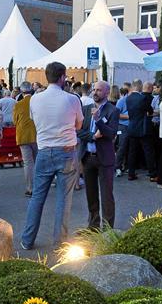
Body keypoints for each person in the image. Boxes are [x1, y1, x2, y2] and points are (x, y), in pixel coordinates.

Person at [20, 62, 83, 249]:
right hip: (66, 150)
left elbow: (34, 119)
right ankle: (60, 242)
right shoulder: (71, 99)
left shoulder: (35, 99)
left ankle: (27, 239)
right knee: (64, 198)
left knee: (37, 197)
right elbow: (79, 125)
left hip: (45, 150)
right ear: (63, 77)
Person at [78, 80, 120, 229]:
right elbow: (78, 131)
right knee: (91, 194)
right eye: (94, 89)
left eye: (99, 90)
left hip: (105, 158)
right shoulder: (85, 109)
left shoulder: (112, 110)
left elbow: (111, 134)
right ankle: (93, 226)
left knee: (107, 195)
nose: (95, 92)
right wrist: (92, 136)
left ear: (107, 93)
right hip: (88, 157)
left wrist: (99, 120)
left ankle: (108, 229)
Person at [125, 81, 155, 181]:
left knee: (132, 151)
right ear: (140, 86)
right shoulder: (143, 98)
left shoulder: (128, 98)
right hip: (142, 128)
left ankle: (131, 173)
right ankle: (152, 173)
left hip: (132, 126)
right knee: (148, 151)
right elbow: (150, 110)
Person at [13, 83, 37, 196]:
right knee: (38, 161)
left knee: (28, 163)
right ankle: (40, 185)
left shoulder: (18, 104)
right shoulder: (37, 102)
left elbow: (14, 121)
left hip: (23, 136)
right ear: (31, 90)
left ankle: (30, 188)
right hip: (37, 135)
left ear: (21, 92)